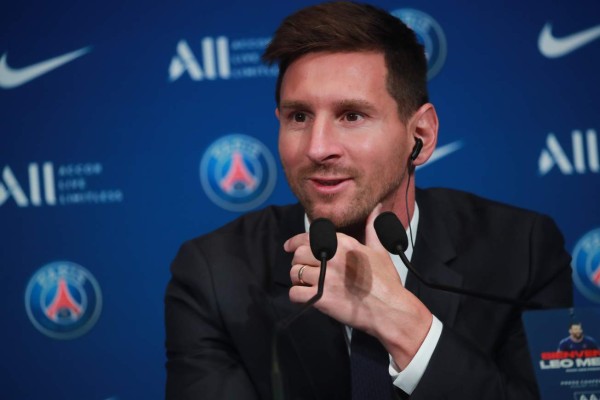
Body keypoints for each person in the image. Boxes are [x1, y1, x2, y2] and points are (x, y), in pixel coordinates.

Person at [164, 2, 573, 399]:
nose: (318, 148)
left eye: (352, 116)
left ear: (421, 137)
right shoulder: (214, 274)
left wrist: (403, 325)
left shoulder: (524, 251)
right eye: (299, 117)